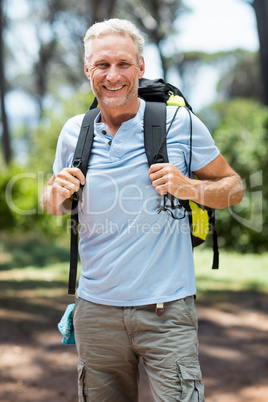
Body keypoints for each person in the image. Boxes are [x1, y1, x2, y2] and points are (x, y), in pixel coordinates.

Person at [41, 18, 244, 402]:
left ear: (141, 67)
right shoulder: (73, 131)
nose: (112, 75)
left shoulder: (180, 124)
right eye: (102, 65)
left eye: (123, 64)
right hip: (96, 312)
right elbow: (56, 204)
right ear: (88, 70)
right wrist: (52, 194)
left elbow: (233, 188)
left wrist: (190, 187)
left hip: (166, 311)